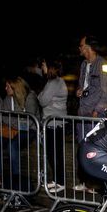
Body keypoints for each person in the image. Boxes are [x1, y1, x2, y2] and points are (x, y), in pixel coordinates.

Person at [75, 35, 107, 192]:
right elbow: (83, 85)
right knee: (83, 146)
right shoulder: (84, 64)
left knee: (96, 149)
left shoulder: (103, 64)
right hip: (82, 111)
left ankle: (97, 185)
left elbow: (106, 90)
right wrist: (79, 91)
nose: (79, 48)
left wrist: (98, 110)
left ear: (88, 47)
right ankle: (85, 182)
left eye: (81, 45)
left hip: (95, 114)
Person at [0, 77, 40, 187]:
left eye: (8, 86)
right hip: (13, 130)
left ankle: (16, 179)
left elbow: (29, 121)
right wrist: (16, 123)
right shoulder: (7, 98)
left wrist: (14, 122)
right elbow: (4, 117)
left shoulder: (30, 97)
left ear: (15, 87)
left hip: (30, 130)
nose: (5, 88)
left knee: (13, 145)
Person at [38, 59, 68, 193]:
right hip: (53, 123)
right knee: (52, 153)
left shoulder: (54, 82)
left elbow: (42, 100)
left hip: (55, 124)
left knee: (55, 154)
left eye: (43, 65)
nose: (42, 67)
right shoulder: (54, 82)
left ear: (50, 68)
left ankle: (61, 182)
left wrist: (41, 96)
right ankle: (57, 180)